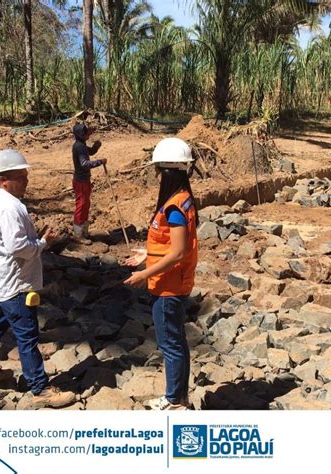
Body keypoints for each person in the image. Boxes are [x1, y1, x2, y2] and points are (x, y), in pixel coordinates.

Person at [0, 149, 75, 408]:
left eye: (25, 175)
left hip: (1, 281)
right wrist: (42, 242)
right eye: (21, 176)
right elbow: (18, 247)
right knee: (27, 335)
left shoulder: (0, 203)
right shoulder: (8, 208)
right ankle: (40, 388)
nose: (26, 180)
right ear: (4, 180)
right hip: (16, 284)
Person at [124, 138, 198, 411]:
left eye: (157, 170)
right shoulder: (180, 200)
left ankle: (174, 401)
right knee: (176, 342)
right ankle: (179, 397)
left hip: (169, 287)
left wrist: (144, 274)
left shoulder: (175, 207)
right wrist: (148, 254)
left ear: (164, 173)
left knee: (171, 345)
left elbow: (178, 253)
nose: (155, 175)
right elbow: (169, 246)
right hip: (170, 282)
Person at [71, 123, 107, 241]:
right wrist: (100, 162)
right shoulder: (79, 146)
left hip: (84, 180)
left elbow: (90, 152)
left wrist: (96, 146)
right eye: (86, 132)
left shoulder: (80, 144)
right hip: (81, 181)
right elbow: (84, 164)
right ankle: (78, 235)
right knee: (81, 205)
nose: (89, 134)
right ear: (82, 134)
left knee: (85, 204)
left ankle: (84, 231)